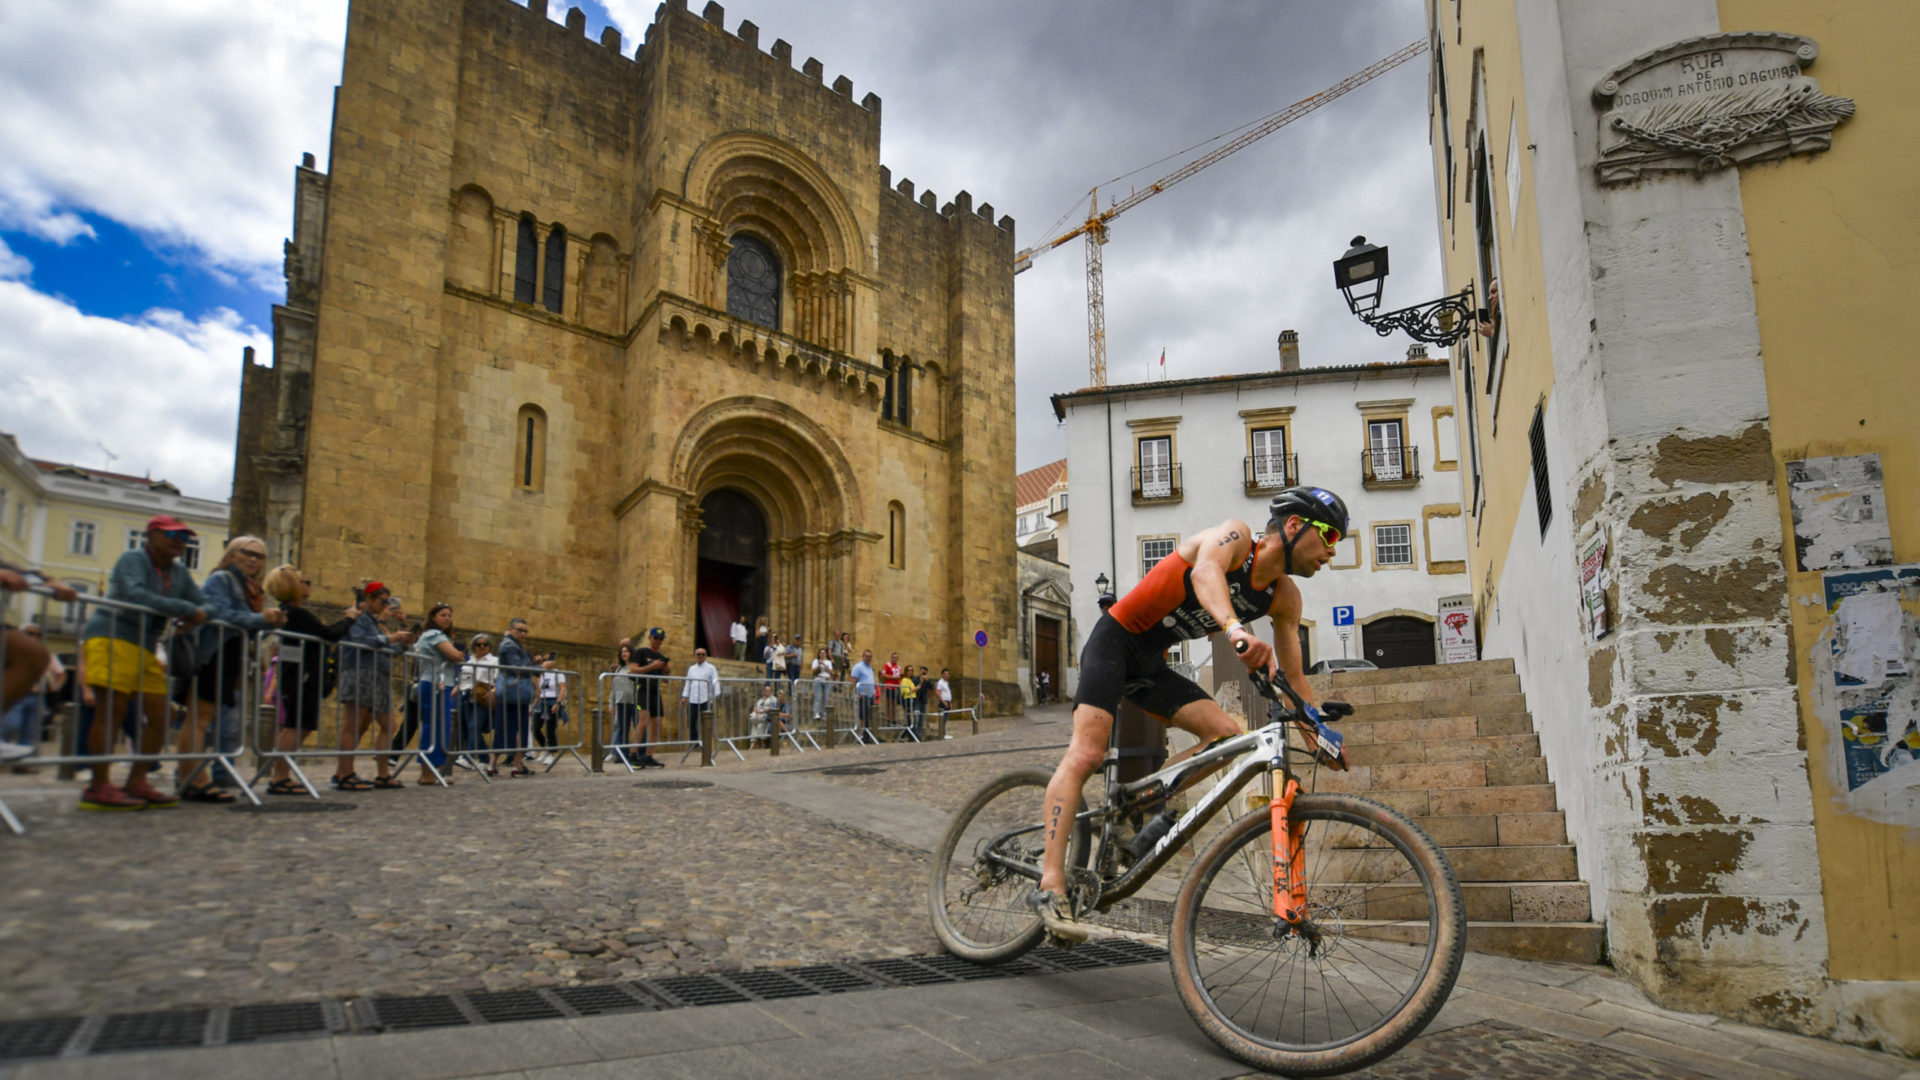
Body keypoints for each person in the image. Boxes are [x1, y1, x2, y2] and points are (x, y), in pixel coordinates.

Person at [1027, 486, 1352, 944]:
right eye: (1330, 536)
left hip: (1151, 664)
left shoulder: (1285, 597)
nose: (1332, 552)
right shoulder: (1237, 539)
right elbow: (1204, 572)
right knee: (1087, 754)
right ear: (1295, 525)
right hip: (1116, 640)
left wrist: (1319, 735)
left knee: (1226, 736)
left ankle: (1134, 805)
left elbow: (1296, 679)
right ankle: (1050, 885)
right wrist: (1235, 630)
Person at [74, 516, 208, 810]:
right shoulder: (132, 560)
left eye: (184, 537)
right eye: (172, 535)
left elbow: (205, 603)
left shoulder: (179, 573)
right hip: (112, 636)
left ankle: (136, 781)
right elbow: (137, 595)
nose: (179, 541)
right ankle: (98, 785)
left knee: (162, 715)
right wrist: (186, 609)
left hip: (146, 645)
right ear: (152, 535)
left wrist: (198, 612)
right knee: (111, 712)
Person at [175, 535, 286, 801]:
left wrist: (268, 622)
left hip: (230, 655)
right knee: (199, 719)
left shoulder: (247, 587)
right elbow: (221, 614)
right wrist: (260, 617)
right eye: (247, 552)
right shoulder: (222, 579)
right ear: (232, 554)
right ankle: (194, 779)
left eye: (259, 556)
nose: (253, 559)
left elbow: (244, 624)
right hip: (213, 653)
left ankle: (191, 778)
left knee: (204, 718)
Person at [261, 565, 360, 795]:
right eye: (304, 582)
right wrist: (349, 619)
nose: (308, 585)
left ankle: (281, 775)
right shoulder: (295, 613)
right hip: (301, 677)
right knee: (297, 726)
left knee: (298, 726)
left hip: (301, 676)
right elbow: (329, 634)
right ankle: (280, 777)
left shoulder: (292, 612)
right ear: (293, 587)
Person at [334, 581, 415, 790]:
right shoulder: (359, 617)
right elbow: (362, 641)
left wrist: (403, 630)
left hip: (379, 675)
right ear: (369, 599)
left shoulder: (374, 621)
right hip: (359, 671)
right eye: (383, 601)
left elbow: (393, 650)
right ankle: (345, 774)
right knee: (353, 723)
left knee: (389, 725)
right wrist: (390, 636)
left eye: (388, 601)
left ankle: (383, 775)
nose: (386, 605)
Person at [410, 602, 467, 785]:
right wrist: (458, 654)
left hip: (440, 684)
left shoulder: (437, 635)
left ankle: (432, 771)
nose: (447, 618)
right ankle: (427, 773)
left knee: (440, 728)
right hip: (435, 684)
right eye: (443, 615)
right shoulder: (433, 634)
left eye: (449, 615)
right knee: (434, 728)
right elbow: (456, 656)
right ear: (433, 617)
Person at [1, 625, 63, 770]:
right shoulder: (13, 649)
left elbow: (61, 673)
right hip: (18, 695)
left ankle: (23, 765)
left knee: (31, 731)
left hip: (37, 696)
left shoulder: (46, 654)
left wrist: (54, 687)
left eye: (38, 634)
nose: (34, 637)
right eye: (30, 633)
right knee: (10, 724)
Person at [494, 617, 536, 776]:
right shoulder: (509, 645)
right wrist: (540, 667)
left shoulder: (514, 644)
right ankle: (513, 765)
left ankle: (512, 764)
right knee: (514, 728)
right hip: (514, 690)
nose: (523, 633)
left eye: (525, 631)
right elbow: (517, 668)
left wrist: (533, 662)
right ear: (511, 630)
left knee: (510, 727)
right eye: (520, 630)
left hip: (513, 690)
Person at [456, 633, 499, 773]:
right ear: (474, 646)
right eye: (478, 644)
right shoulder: (469, 661)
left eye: (485, 644)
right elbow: (464, 679)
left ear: (490, 646)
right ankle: (484, 758)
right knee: (472, 729)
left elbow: (499, 678)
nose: (482, 646)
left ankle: (467, 757)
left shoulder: (494, 661)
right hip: (468, 696)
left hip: (484, 697)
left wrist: (494, 691)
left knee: (475, 726)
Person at [631, 627, 669, 768]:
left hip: (655, 691)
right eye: (655, 638)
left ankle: (649, 756)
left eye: (660, 639)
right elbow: (633, 670)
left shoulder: (661, 657)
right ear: (650, 638)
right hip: (643, 689)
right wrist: (652, 666)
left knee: (657, 725)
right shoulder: (641, 652)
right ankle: (633, 755)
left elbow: (666, 680)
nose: (658, 641)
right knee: (643, 722)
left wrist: (666, 670)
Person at [532, 653, 567, 767]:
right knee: (535, 727)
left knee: (550, 728)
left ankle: (551, 753)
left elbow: (562, 688)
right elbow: (539, 690)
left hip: (552, 700)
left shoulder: (558, 673)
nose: (546, 662)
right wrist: (534, 704)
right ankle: (545, 748)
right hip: (542, 701)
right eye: (545, 660)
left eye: (548, 660)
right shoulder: (542, 673)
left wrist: (558, 702)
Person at [605, 643, 638, 764]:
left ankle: (639, 753)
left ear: (631, 653)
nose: (624, 653)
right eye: (622, 652)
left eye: (626, 651)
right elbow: (614, 688)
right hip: (621, 701)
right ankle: (622, 755)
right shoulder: (619, 669)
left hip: (634, 701)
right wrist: (611, 703)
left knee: (638, 727)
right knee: (622, 729)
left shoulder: (635, 667)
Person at [681, 647, 720, 744]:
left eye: (703, 654)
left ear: (706, 655)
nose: (701, 656)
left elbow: (715, 682)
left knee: (706, 722)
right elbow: (688, 682)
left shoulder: (711, 668)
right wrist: (684, 696)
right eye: (699, 654)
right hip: (693, 699)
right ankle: (694, 743)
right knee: (691, 721)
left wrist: (713, 697)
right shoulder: (691, 669)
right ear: (695, 656)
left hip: (705, 699)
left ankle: (706, 743)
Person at [850, 649, 878, 745]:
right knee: (862, 716)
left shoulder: (870, 668)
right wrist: (857, 693)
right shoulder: (858, 667)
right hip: (862, 695)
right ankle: (860, 736)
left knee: (869, 716)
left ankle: (867, 736)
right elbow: (853, 680)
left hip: (870, 695)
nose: (869, 658)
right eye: (867, 656)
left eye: (870, 656)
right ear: (863, 657)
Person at [749, 682, 781, 748]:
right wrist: (756, 710)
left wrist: (763, 710)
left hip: (766, 717)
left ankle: (763, 744)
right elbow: (755, 707)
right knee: (754, 727)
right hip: (757, 717)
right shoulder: (760, 700)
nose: (767, 691)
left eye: (769, 690)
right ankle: (753, 743)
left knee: (760, 726)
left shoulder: (773, 699)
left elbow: (773, 707)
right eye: (766, 690)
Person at [809, 647, 834, 729]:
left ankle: (824, 713)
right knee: (817, 697)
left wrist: (825, 665)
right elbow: (813, 671)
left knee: (825, 697)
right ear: (819, 654)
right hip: (818, 679)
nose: (822, 654)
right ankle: (816, 713)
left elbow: (831, 672)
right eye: (821, 653)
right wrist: (819, 665)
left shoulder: (828, 662)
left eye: (824, 653)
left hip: (827, 680)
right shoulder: (815, 661)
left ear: (826, 654)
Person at [879, 652, 903, 730]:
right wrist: (893, 677)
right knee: (888, 704)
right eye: (893, 657)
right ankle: (888, 720)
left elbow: (900, 676)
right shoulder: (887, 665)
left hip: (896, 687)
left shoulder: (899, 667)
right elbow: (883, 675)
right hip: (889, 687)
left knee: (894, 705)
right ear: (891, 658)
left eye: (896, 658)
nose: (895, 659)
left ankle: (894, 720)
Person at [895, 666, 918, 742]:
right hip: (907, 700)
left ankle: (908, 736)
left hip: (912, 699)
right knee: (908, 720)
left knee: (910, 720)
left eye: (911, 670)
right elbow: (907, 691)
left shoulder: (910, 680)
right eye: (908, 670)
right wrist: (916, 688)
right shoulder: (904, 680)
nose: (910, 672)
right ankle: (904, 736)